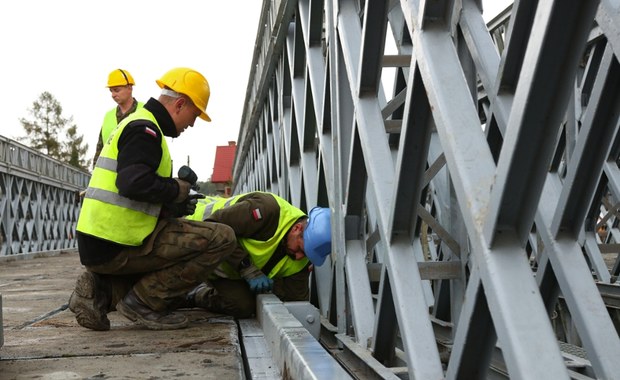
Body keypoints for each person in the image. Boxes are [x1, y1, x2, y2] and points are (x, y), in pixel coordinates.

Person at [69, 67, 239, 331]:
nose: (192, 124)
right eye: (194, 116)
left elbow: (134, 189)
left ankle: (102, 291)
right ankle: (143, 303)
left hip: (100, 242)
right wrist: (176, 190)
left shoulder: (137, 123)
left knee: (176, 243)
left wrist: (171, 204)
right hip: (117, 242)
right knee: (221, 238)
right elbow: (132, 182)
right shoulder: (145, 130)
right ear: (180, 104)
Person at [183, 192, 332, 318]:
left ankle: (196, 294)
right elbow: (214, 228)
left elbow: (297, 302)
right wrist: (247, 268)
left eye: (307, 255)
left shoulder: (302, 258)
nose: (300, 257)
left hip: (223, 270)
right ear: (297, 229)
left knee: (243, 307)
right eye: (301, 249)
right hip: (190, 243)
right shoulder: (266, 210)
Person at [92, 69, 144, 168]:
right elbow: (100, 150)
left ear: (129, 88)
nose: (113, 95)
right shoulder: (108, 116)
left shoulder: (145, 111)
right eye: (111, 91)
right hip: (110, 179)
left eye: (116, 90)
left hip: (138, 176)